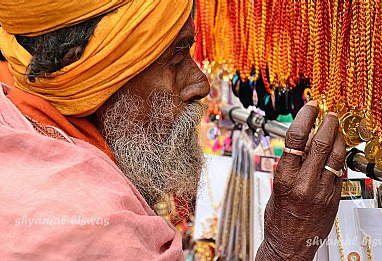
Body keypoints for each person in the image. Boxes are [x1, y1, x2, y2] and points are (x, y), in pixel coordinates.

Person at [0, 1, 346, 260]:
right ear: (88, 71)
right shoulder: (94, 229)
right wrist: (283, 248)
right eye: (177, 59)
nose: (200, 84)